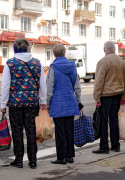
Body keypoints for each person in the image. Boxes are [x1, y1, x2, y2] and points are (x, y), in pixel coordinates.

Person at [0, 38, 47, 169]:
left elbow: (5, 86)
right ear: (28, 48)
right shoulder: (37, 63)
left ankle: (19, 160)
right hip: (32, 103)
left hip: (15, 103)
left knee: (17, 131)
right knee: (32, 131)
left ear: (15, 48)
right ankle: (33, 161)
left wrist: (2, 105)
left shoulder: (10, 63)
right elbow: (42, 84)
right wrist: (43, 101)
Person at [46, 43, 82, 165]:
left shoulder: (53, 67)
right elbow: (77, 86)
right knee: (69, 130)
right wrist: (78, 101)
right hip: (70, 102)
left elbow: (49, 88)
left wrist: (47, 103)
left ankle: (61, 157)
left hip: (57, 104)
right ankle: (70, 156)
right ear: (64, 53)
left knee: (60, 131)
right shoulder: (72, 67)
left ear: (54, 54)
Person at [93, 41, 125, 154]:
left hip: (106, 96)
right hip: (118, 95)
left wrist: (97, 98)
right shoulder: (121, 61)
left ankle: (104, 146)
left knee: (103, 121)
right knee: (114, 120)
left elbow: (99, 81)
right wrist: (124, 96)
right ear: (114, 49)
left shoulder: (103, 62)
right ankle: (115, 145)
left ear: (104, 49)